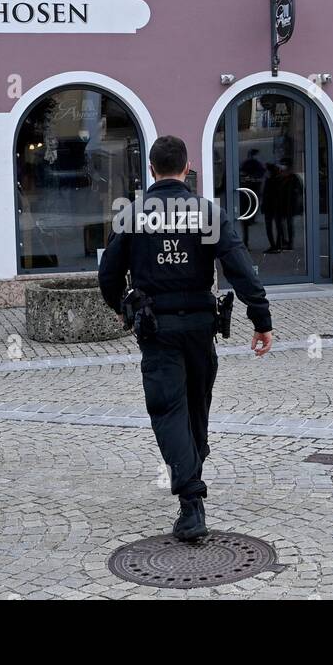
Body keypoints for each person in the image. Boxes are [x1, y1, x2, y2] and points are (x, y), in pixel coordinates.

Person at [98, 136, 274, 542]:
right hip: (199, 328)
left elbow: (108, 275)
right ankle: (192, 482)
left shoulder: (131, 215)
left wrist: (121, 308)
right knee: (196, 405)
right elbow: (241, 268)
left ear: (152, 169)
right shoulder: (208, 213)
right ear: (187, 166)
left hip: (157, 328)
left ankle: (191, 498)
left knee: (167, 408)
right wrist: (260, 318)